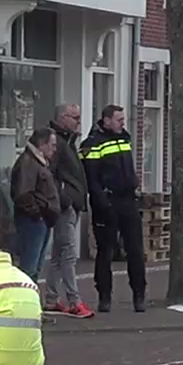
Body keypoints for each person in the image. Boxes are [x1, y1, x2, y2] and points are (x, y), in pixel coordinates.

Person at [82, 104, 147, 313]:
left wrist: (134, 185)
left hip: (128, 201)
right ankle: (104, 297)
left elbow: (127, 168)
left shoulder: (124, 138)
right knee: (105, 252)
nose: (122, 123)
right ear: (106, 120)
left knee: (135, 250)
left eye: (123, 119)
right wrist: (104, 203)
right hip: (107, 204)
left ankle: (139, 294)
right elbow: (92, 179)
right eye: (119, 119)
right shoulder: (92, 144)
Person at [45, 102, 93, 317]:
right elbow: (50, 175)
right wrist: (65, 199)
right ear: (63, 118)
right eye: (74, 117)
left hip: (69, 204)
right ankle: (74, 300)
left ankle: (52, 298)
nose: (78, 121)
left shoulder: (69, 142)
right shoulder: (59, 143)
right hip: (65, 206)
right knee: (68, 254)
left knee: (58, 254)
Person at [8, 127, 59, 281]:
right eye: (52, 145)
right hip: (33, 222)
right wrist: (38, 215)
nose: (55, 149)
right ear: (42, 145)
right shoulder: (29, 163)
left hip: (40, 220)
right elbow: (23, 194)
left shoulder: (38, 162)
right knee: (29, 267)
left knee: (35, 267)